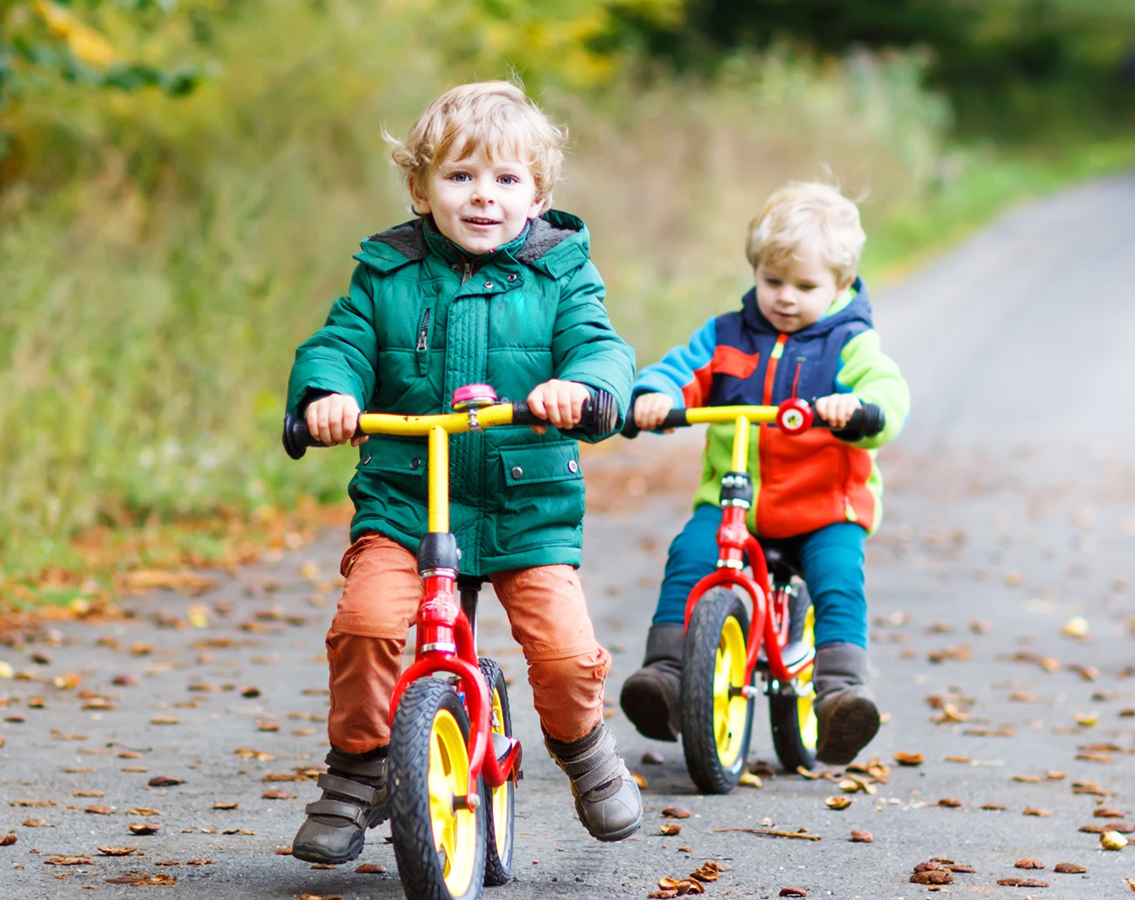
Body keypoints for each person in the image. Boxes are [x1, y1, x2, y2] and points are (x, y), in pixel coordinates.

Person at [284, 80, 641, 863]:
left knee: (565, 653)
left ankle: (584, 751)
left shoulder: (561, 274)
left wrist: (583, 387)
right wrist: (330, 394)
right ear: (420, 188)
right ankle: (356, 771)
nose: (485, 198)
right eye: (460, 177)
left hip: (526, 507)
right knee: (367, 625)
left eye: (507, 180)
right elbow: (338, 345)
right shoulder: (386, 274)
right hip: (408, 501)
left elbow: (601, 346)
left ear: (537, 194)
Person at [620, 181, 910, 765]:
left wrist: (857, 409)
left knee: (836, 574)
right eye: (772, 281)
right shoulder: (728, 335)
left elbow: (887, 389)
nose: (785, 297)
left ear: (840, 284)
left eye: (805, 287)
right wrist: (654, 394)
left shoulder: (848, 344)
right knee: (691, 554)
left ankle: (839, 692)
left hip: (823, 507)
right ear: (755, 272)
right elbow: (683, 368)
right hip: (736, 505)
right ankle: (669, 675)